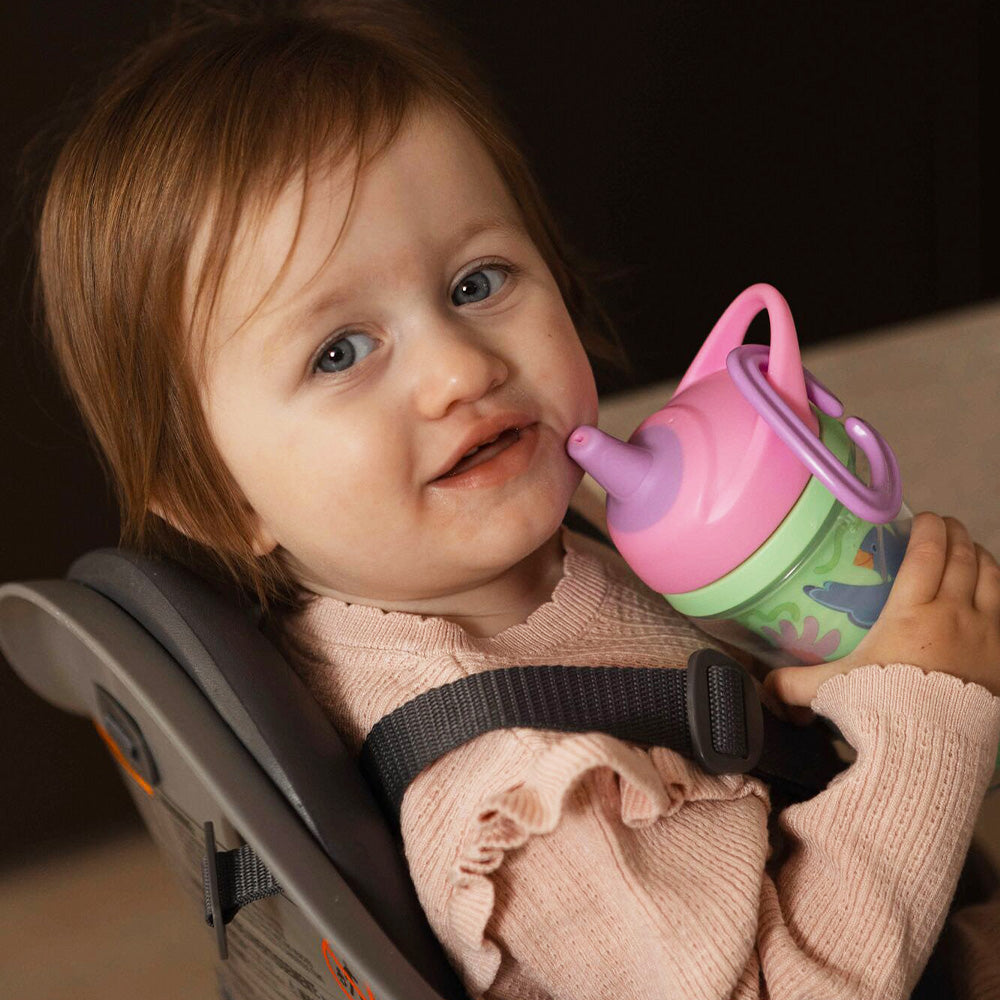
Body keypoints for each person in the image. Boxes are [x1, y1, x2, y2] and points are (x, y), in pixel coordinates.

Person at [32, 2, 1000, 997]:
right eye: (338, 351)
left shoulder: (482, 559)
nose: (459, 368)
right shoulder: (527, 797)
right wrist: (928, 703)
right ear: (218, 500)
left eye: (477, 281)